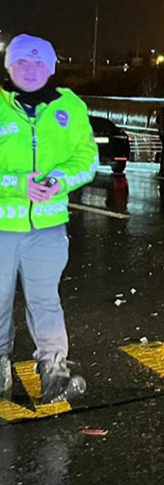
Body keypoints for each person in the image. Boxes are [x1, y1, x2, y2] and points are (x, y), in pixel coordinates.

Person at [0, 35, 97, 402]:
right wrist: (15, 185)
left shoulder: (70, 107)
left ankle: (54, 368)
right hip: (1, 226)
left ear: (52, 68)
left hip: (48, 227)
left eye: (40, 63)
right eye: (22, 62)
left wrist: (58, 183)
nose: (31, 70)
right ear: (9, 66)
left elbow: (87, 160)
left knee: (45, 300)